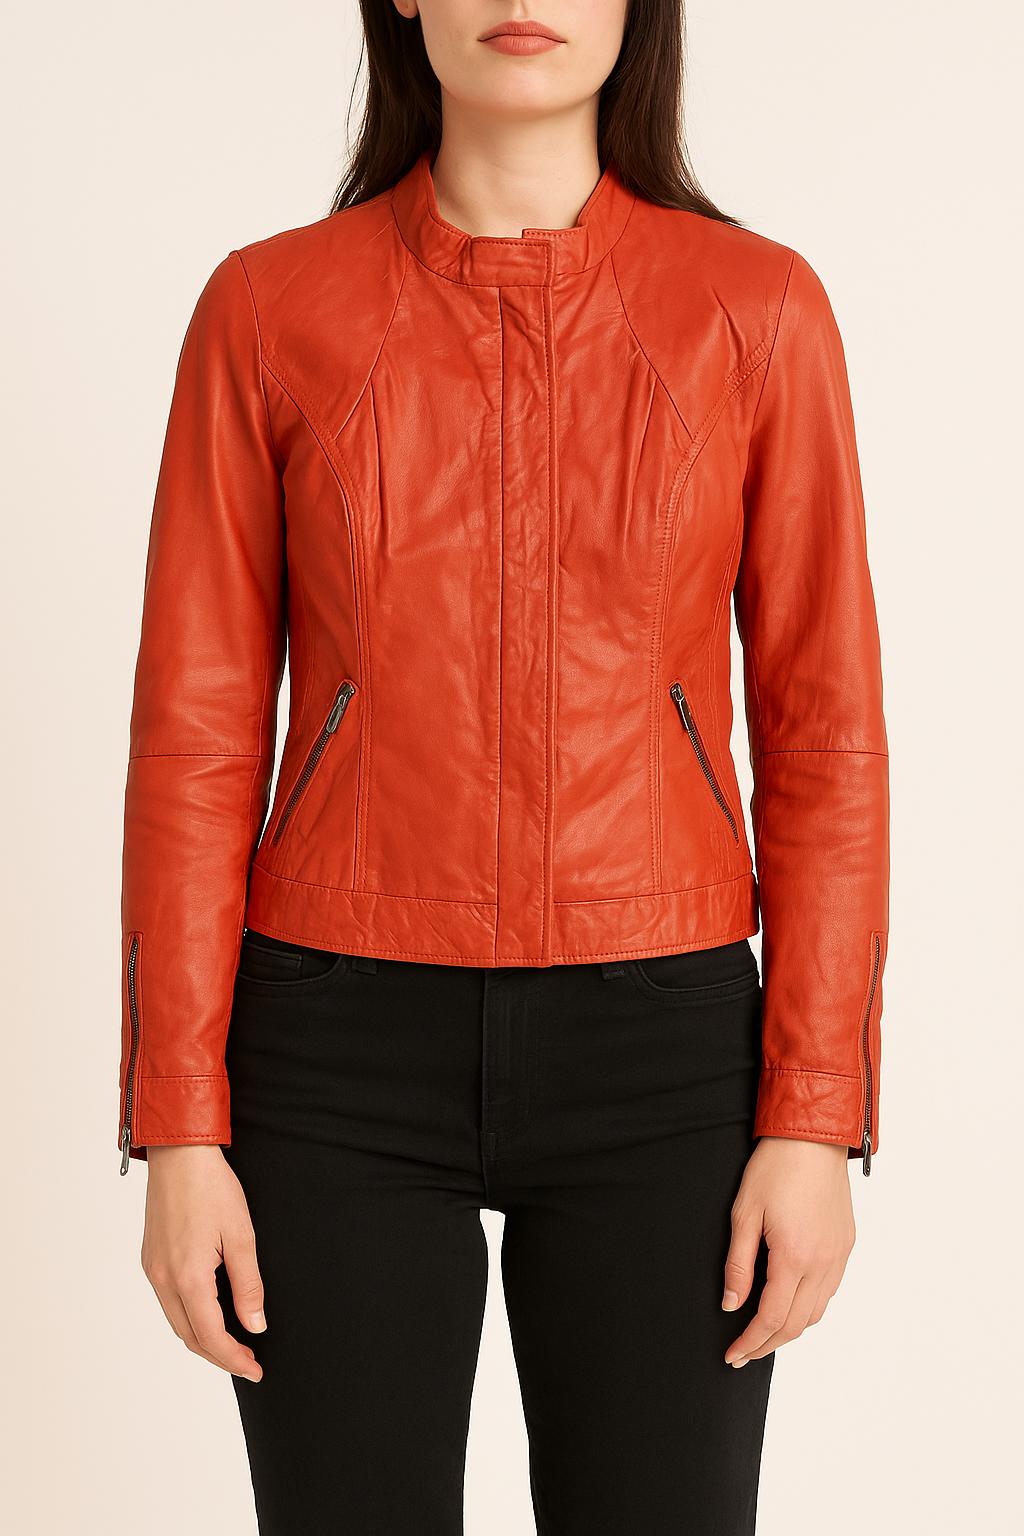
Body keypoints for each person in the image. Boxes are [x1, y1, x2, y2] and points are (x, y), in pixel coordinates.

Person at [117, 2, 889, 1531]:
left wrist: (815, 1113)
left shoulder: (757, 309)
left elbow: (825, 734)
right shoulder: (270, 310)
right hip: (332, 1048)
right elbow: (196, 737)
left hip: (664, 1052)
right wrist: (180, 1123)